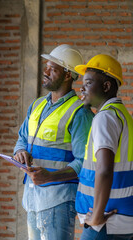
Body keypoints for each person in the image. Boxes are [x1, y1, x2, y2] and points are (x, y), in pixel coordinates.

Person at [14, 44, 94, 240]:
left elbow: (85, 162)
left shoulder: (79, 113)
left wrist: (50, 177)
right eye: (46, 66)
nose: (45, 71)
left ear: (68, 75)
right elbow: (22, 138)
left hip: (58, 201)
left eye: (53, 69)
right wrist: (20, 151)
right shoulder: (37, 104)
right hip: (32, 198)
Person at [74, 54, 133, 240]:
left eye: (89, 82)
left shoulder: (105, 118)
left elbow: (104, 169)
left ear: (106, 86)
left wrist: (97, 216)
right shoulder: (122, 115)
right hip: (122, 221)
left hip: (104, 224)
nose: (82, 87)